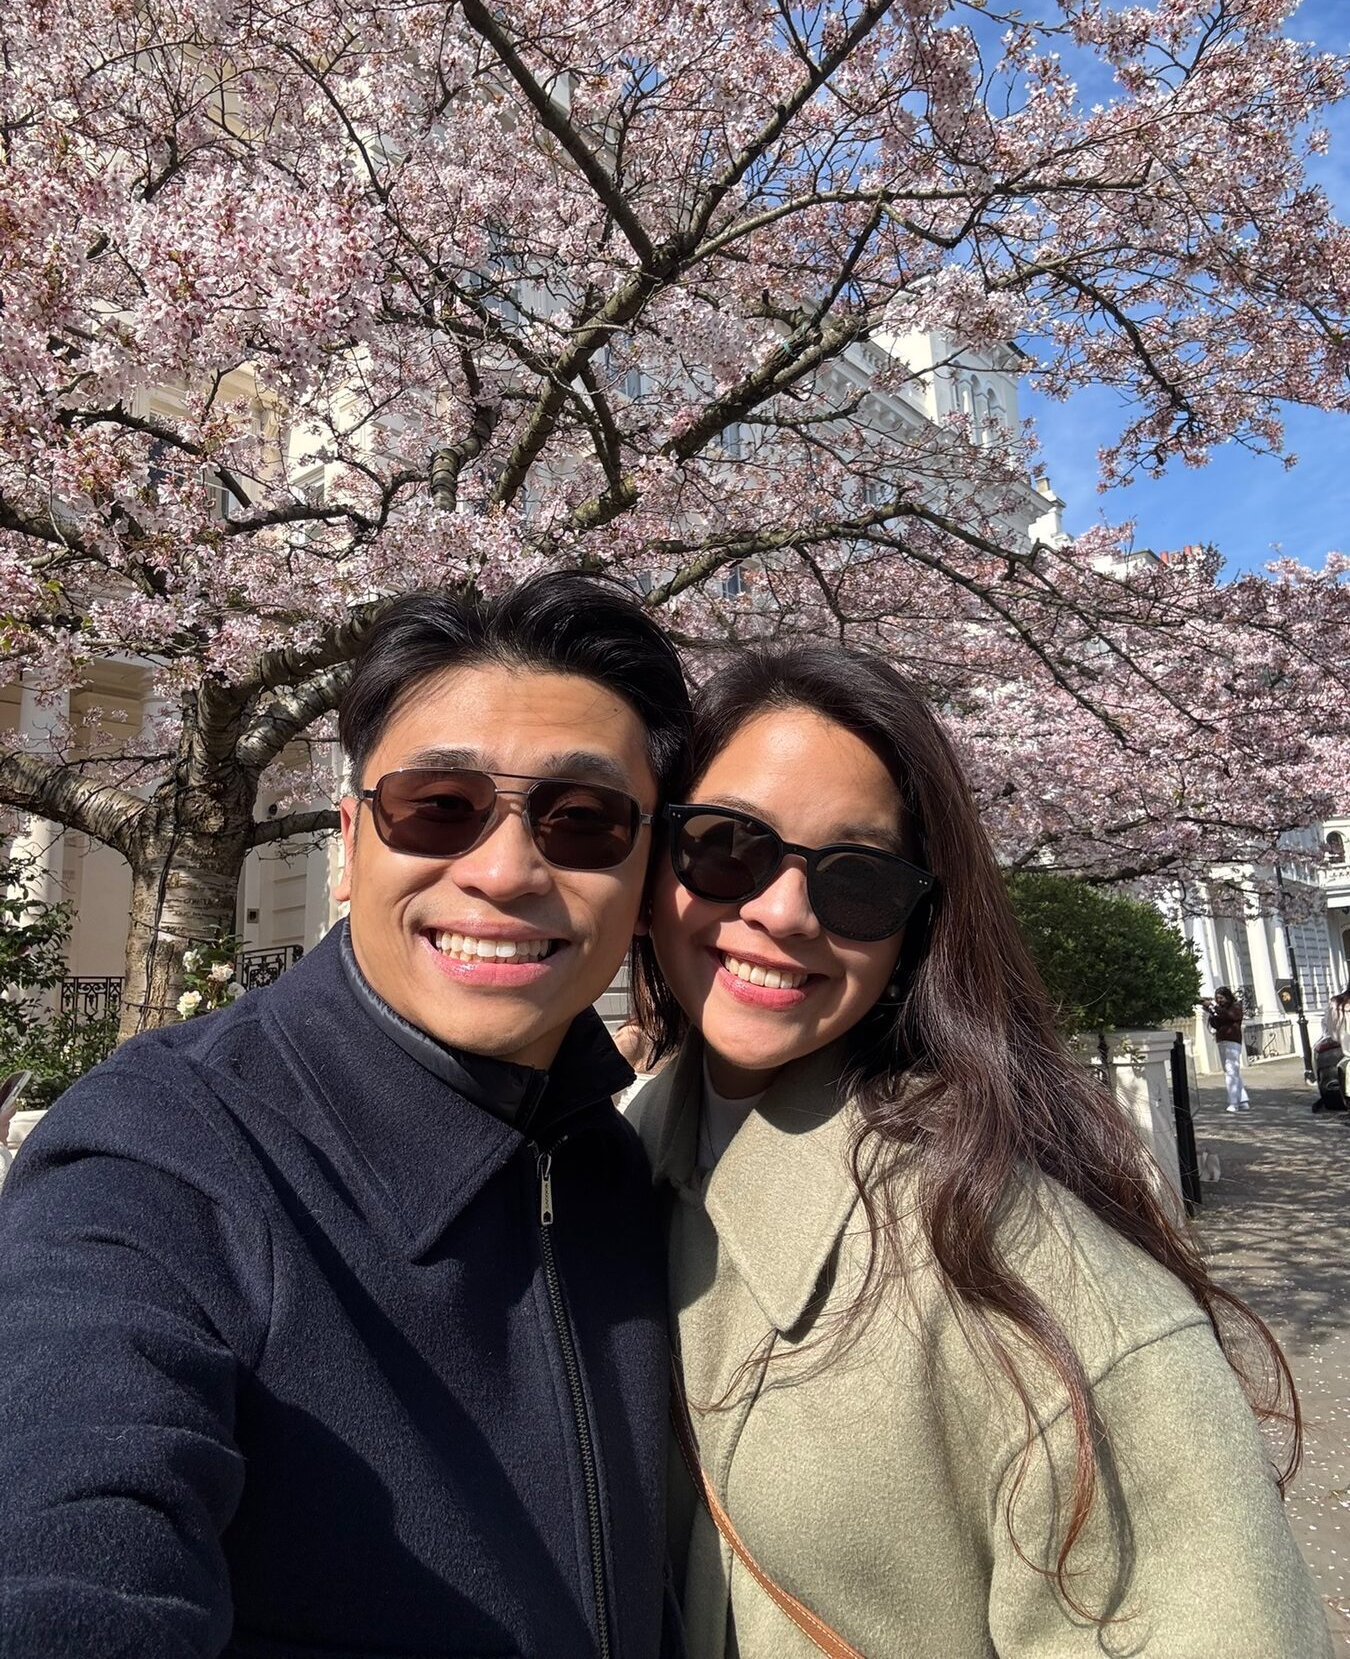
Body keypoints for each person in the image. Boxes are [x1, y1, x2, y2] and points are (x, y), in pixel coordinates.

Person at [0, 574, 691, 1657]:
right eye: (440, 807)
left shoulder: (615, 1160)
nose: (505, 871)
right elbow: (68, 1528)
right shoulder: (162, 1153)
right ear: (351, 841)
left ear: (647, 877)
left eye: (583, 822)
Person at [627, 645, 1330, 1658]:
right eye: (727, 847)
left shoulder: (1031, 1277)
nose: (781, 912)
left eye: (858, 881)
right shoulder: (606, 1169)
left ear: (911, 932)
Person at [1205, 984, 1250, 1112]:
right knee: (1231, 1071)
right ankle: (1243, 1101)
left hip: (1233, 1041)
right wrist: (1211, 1011)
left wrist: (1214, 1007)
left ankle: (1233, 1103)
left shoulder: (1236, 1006)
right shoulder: (1220, 1009)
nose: (1220, 1001)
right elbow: (1216, 1024)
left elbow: (1230, 1016)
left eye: (1221, 998)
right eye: (1217, 998)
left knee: (1231, 1071)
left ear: (1228, 997)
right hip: (1221, 1040)